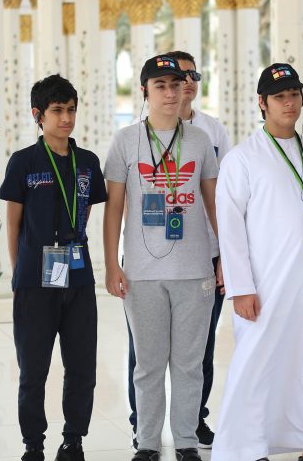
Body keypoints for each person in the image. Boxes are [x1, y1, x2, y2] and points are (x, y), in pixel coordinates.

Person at [212, 63, 303, 461]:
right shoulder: (242, 159)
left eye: (294, 94)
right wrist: (241, 288)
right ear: (262, 103)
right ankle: (245, 448)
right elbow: (230, 227)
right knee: (259, 366)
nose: (289, 103)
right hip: (268, 285)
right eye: (279, 97)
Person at [103, 54, 221, 461]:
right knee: (148, 365)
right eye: (161, 86)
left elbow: (214, 206)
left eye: (176, 84)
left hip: (194, 271)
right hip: (142, 273)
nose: (171, 93)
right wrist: (112, 264)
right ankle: (148, 443)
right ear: (145, 91)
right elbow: (113, 209)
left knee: (189, 364)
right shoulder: (125, 141)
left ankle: (186, 440)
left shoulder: (200, 141)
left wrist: (226, 258)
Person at [0, 75, 107, 461]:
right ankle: (33, 443)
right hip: (34, 281)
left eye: (71, 110)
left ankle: (73, 439)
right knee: (33, 370)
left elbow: (84, 214)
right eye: (57, 110)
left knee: (82, 367)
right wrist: (19, 272)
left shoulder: (88, 163)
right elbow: (13, 223)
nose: (66, 118)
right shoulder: (24, 162)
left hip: (78, 278)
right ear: (38, 115)